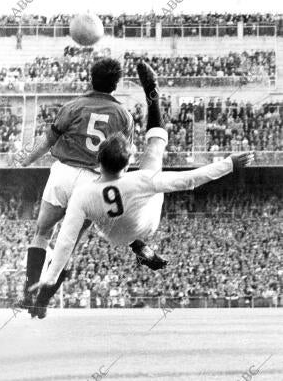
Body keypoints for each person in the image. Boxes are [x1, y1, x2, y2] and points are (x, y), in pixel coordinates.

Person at [30, 62, 254, 316]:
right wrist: (229, 163)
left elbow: (64, 244)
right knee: (155, 150)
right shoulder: (141, 180)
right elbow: (192, 179)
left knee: (80, 231)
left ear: (99, 162)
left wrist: (45, 289)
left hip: (114, 235)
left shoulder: (83, 195)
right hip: (146, 223)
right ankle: (153, 98)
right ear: (127, 163)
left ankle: (136, 247)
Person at [18, 58, 134, 316]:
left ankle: (28, 291)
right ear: (115, 85)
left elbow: (47, 140)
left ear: (91, 78)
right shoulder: (123, 116)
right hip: (93, 181)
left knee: (42, 232)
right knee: (68, 245)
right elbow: (122, 161)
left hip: (64, 173)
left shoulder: (73, 106)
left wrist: (25, 159)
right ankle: (43, 301)